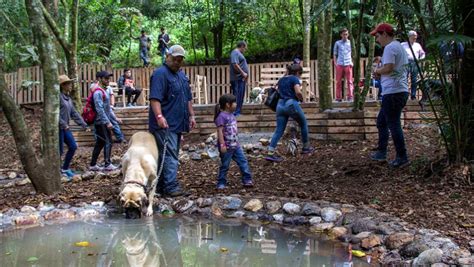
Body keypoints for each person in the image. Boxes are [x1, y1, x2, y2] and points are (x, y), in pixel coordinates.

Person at [149, 45, 196, 197]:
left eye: (180, 59)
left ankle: (161, 186)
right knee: (169, 155)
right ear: (167, 56)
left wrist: (191, 115)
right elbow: (155, 98)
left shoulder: (182, 75)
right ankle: (171, 187)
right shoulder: (160, 74)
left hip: (177, 122)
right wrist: (159, 117)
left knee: (168, 154)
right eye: (175, 58)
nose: (177, 62)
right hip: (165, 123)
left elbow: (188, 97)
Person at [369, 23, 410, 168]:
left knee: (393, 124)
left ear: (385, 34)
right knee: (382, 122)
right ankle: (381, 152)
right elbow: (393, 69)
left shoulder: (390, 47)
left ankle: (402, 156)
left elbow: (389, 67)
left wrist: (377, 71)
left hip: (393, 92)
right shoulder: (399, 46)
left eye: (378, 36)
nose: (377, 39)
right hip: (397, 91)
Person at [265, 64, 315, 162]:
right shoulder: (294, 79)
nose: (300, 76)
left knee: (279, 130)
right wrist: (301, 99)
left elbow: (278, 91)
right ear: (297, 73)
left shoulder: (281, 79)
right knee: (303, 123)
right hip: (290, 103)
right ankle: (306, 148)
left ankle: (270, 153)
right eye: (300, 74)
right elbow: (298, 92)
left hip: (280, 106)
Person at [214, 94, 253, 190]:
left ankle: (247, 179)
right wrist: (222, 144)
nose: (236, 104)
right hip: (226, 147)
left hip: (236, 146)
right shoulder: (221, 116)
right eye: (234, 102)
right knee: (225, 165)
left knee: (243, 161)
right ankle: (221, 182)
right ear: (228, 104)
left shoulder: (231, 115)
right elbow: (219, 131)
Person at [58, 75, 89, 178]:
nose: (71, 85)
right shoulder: (58, 97)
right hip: (58, 128)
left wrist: (84, 125)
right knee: (59, 150)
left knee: (73, 146)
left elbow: (74, 113)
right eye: (68, 84)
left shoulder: (68, 99)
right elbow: (54, 114)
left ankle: (65, 168)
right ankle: (57, 172)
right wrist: (63, 124)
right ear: (63, 85)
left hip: (65, 127)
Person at [89, 71, 120, 171]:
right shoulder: (98, 92)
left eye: (108, 79)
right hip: (100, 122)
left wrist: (115, 118)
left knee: (100, 143)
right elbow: (99, 109)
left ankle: (93, 165)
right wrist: (107, 122)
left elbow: (107, 108)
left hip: (103, 121)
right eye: (106, 78)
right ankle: (107, 164)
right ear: (100, 79)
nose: (108, 80)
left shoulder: (104, 90)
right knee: (108, 141)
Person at [401, 30, 426, 100]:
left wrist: (420, 59)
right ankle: (404, 95)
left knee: (414, 80)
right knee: (404, 78)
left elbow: (423, 53)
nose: (415, 39)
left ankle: (413, 95)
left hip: (415, 62)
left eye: (416, 37)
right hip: (405, 62)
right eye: (413, 37)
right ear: (409, 37)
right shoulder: (403, 44)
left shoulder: (417, 45)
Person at [333, 28, 354, 102]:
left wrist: (352, 62)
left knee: (350, 81)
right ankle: (338, 98)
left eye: (347, 34)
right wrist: (335, 63)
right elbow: (335, 54)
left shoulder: (351, 43)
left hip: (348, 63)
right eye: (344, 34)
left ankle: (350, 97)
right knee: (338, 82)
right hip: (340, 63)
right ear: (341, 35)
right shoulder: (337, 43)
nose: (345, 36)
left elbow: (353, 53)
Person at [229, 41, 249, 116]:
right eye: (245, 48)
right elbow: (235, 64)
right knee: (237, 95)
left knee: (240, 95)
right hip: (237, 79)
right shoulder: (235, 52)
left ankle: (238, 112)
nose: (245, 50)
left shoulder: (238, 53)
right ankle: (234, 113)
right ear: (242, 46)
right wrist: (243, 73)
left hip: (241, 79)